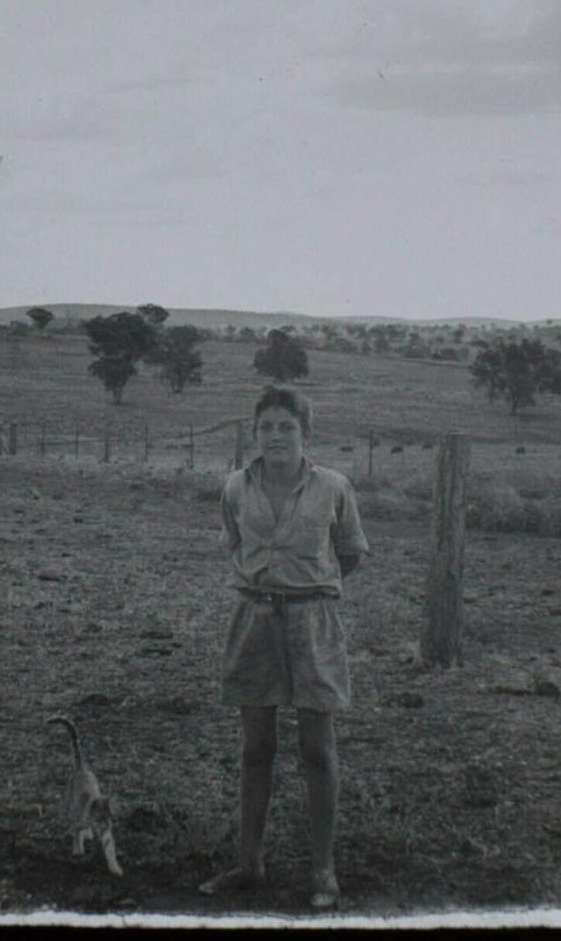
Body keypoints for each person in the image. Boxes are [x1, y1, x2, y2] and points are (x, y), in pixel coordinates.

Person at [199, 385, 369, 910]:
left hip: (311, 622)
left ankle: (323, 870)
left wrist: (307, 590)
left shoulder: (333, 487)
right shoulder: (234, 487)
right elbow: (235, 544)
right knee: (256, 748)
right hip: (253, 620)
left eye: (286, 427)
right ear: (255, 433)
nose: (275, 436)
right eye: (267, 427)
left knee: (317, 749)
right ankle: (250, 862)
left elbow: (351, 552)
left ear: (306, 435)